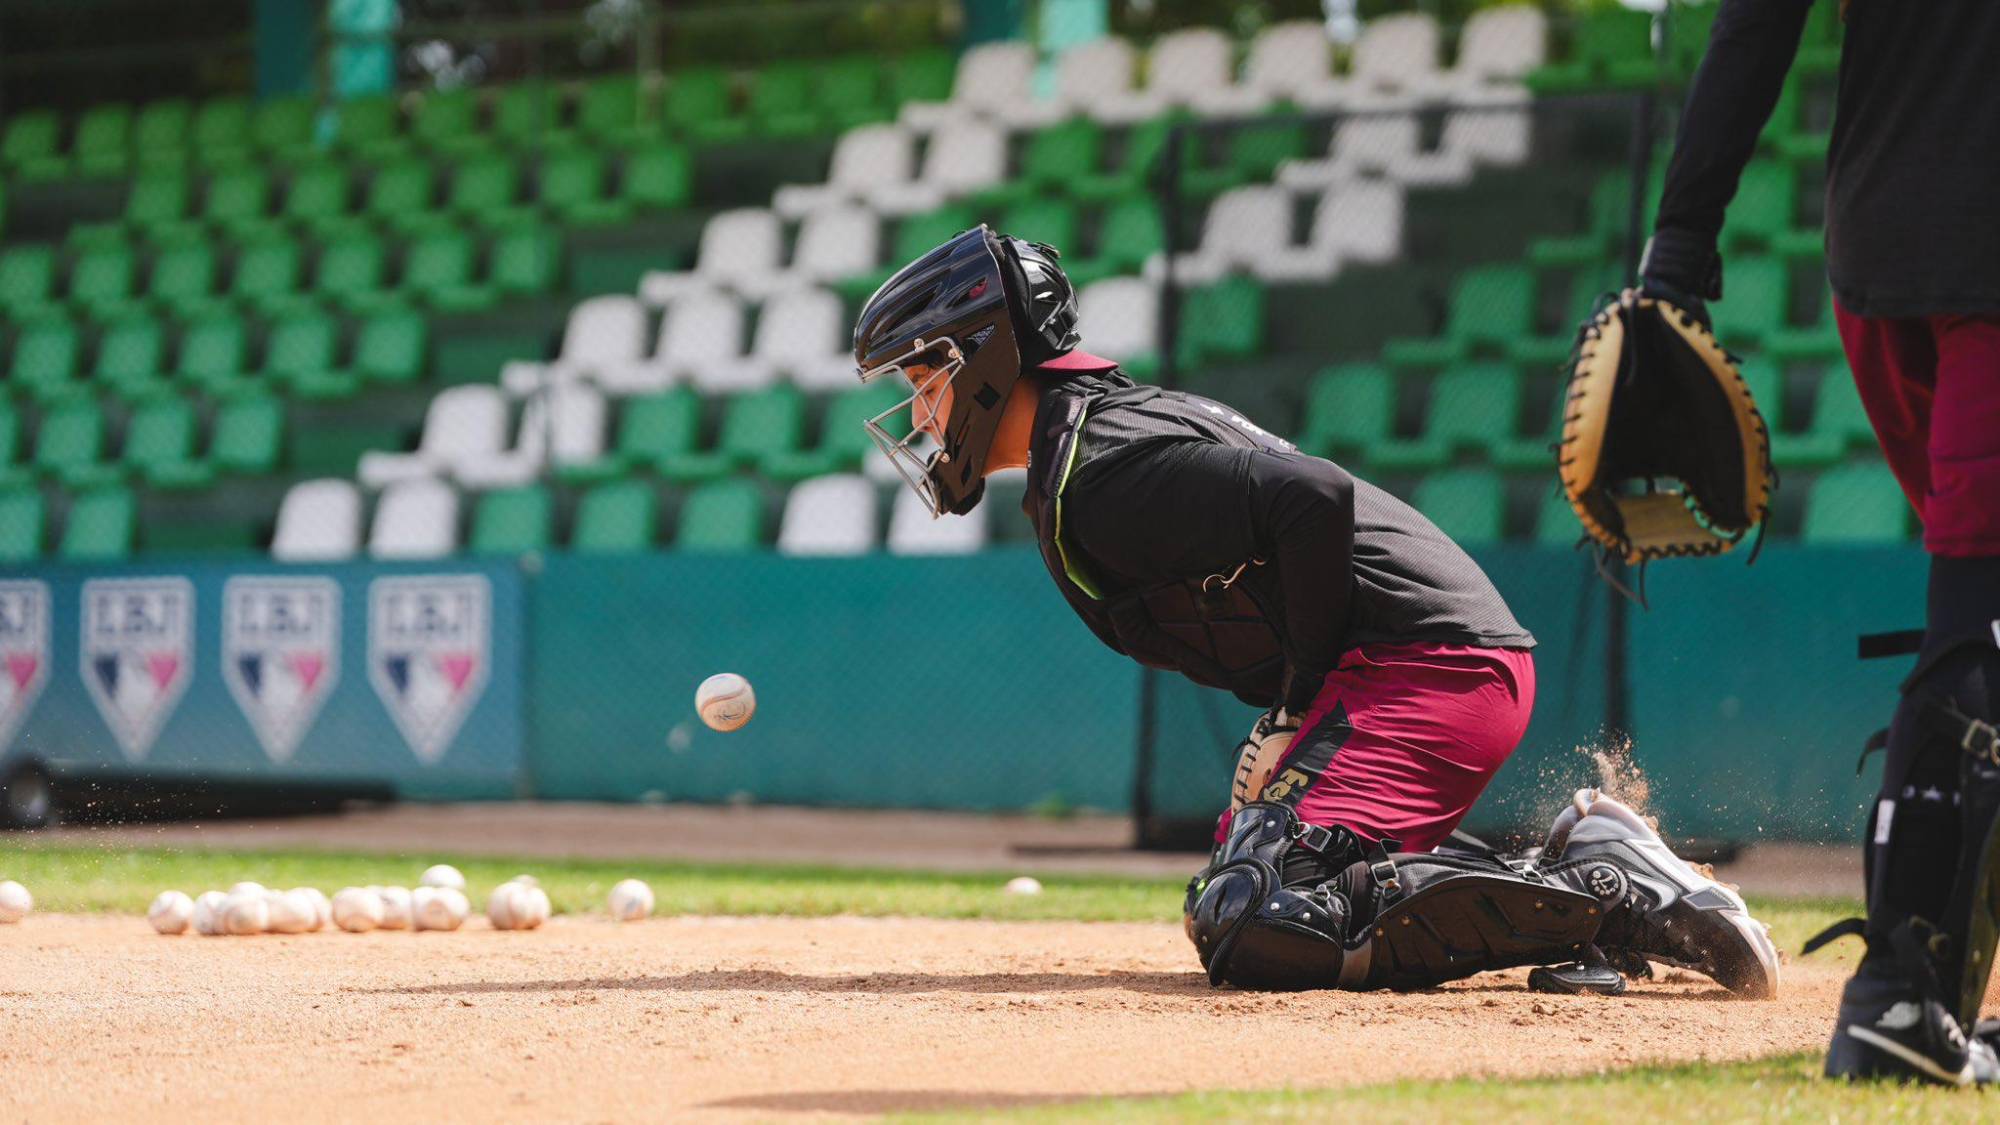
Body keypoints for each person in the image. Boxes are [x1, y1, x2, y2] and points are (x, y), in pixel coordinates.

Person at [852, 224, 1779, 996]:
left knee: (1263, 909)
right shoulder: (1082, 445)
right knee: (1237, 889)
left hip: (1433, 664)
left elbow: (1311, 496)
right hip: (1407, 666)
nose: (920, 412)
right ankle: (1577, 862)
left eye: (921, 378)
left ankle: (1607, 888)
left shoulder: (1098, 468)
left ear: (983, 358)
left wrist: (1295, 706)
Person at [1635, 0, 2000, 1084]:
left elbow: (1754, 19)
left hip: (1879, 252)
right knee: (1977, 616)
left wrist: (1678, 238)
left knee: (1979, 608)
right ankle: (1899, 995)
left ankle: (1913, 993)